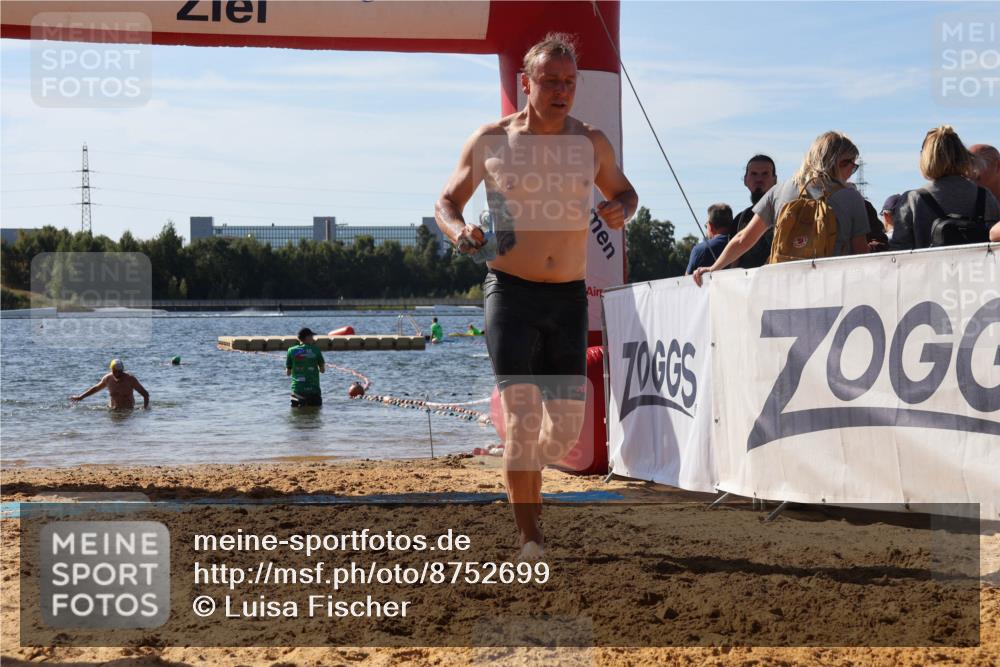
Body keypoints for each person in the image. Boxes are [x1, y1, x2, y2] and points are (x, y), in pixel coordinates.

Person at [434, 33, 638, 559]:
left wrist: (623, 209)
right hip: (510, 291)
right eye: (550, 81)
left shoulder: (590, 142)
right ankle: (530, 536)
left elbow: (624, 191)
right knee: (523, 418)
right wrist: (458, 232)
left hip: (568, 296)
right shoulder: (491, 141)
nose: (561, 90)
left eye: (569, 82)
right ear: (526, 83)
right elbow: (447, 201)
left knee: (563, 430)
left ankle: (528, 481)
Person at [693, 131, 869, 286]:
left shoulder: (779, 191)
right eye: (852, 166)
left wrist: (713, 268)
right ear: (840, 163)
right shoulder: (851, 197)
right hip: (830, 286)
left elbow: (744, 239)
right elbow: (860, 253)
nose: (851, 172)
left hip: (783, 287)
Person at [890, 127, 1000, 250]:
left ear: (926, 158)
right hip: (977, 268)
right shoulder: (985, 196)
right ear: (963, 155)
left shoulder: (912, 200)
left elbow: (898, 253)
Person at [732, 155, 778, 268]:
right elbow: (734, 260)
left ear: (775, 180)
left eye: (765, 174)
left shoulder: (784, 213)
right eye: (754, 174)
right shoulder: (740, 220)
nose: (759, 179)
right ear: (745, 180)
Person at [70, 359, 149, 409]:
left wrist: (145, 409)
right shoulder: (108, 378)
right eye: (115, 371)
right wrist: (80, 397)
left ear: (123, 370)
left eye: (119, 371)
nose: (117, 373)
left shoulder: (130, 379)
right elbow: (95, 389)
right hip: (112, 411)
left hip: (128, 411)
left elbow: (145, 394)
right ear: (111, 369)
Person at [685, 203, 734, 274]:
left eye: (706, 226)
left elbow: (687, 281)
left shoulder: (699, 250)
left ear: (710, 226)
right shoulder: (745, 243)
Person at [287, 327, 325, 407]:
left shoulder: (291, 350)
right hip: (313, 391)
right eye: (311, 336)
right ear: (307, 337)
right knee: (314, 416)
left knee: (297, 415)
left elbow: (288, 373)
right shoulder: (316, 350)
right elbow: (322, 370)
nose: (313, 338)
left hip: (297, 391)